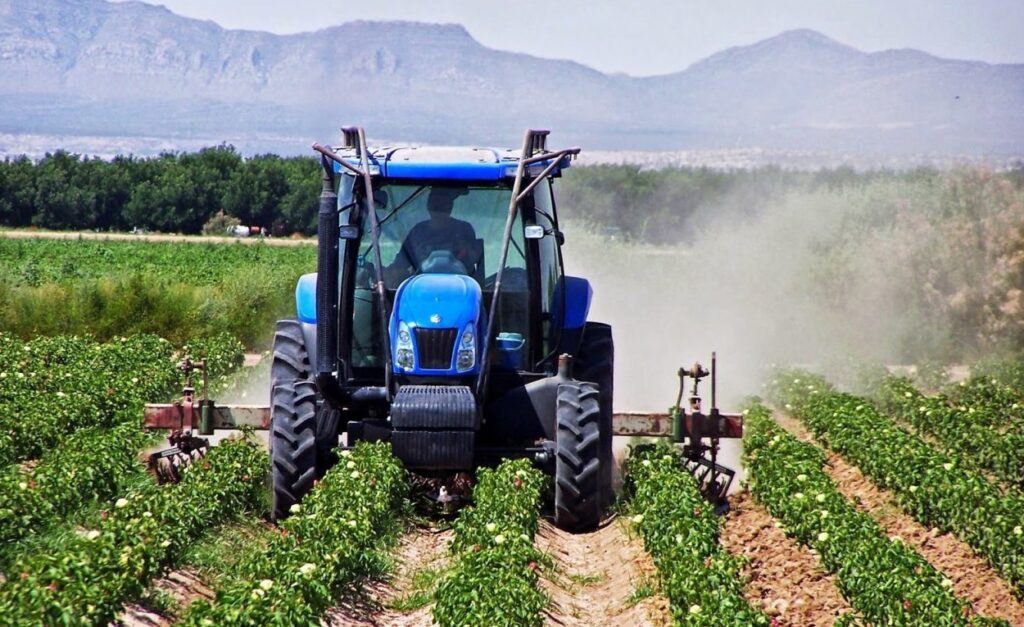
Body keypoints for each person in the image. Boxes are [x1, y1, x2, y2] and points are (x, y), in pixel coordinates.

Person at [385, 187, 478, 282]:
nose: (439, 206)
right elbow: (400, 265)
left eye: (443, 202)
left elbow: (475, 260)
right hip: (419, 290)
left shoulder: (464, 230)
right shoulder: (418, 232)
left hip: (461, 289)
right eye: (435, 201)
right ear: (428, 204)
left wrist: (465, 251)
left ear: (450, 206)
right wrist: (383, 279)